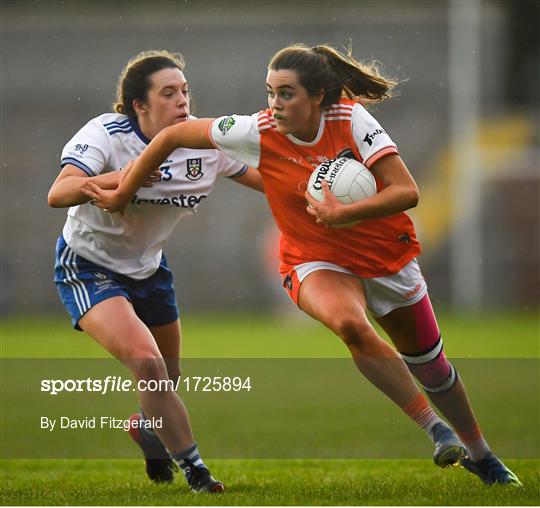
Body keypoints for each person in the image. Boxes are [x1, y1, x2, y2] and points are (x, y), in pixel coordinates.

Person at [83, 44, 521, 486]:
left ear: (318, 96)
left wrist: (343, 213)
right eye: (270, 93)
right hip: (312, 259)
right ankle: (435, 428)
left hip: (384, 256)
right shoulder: (256, 128)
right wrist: (122, 194)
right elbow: (172, 137)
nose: (274, 105)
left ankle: (482, 455)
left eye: (286, 94)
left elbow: (406, 191)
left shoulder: (350, 121)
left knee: (432, 367)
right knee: (350, 324)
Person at [48, 49, 263, 493]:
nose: (182, 101)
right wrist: (120, 178)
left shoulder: (203, 143)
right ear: (138, 106)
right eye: (168, 93)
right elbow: (60, 191)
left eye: (184, 91)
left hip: (149, 269)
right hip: (88, 265)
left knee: (168, 375)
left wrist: (324, 192)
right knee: (149, 365)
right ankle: (197, 471)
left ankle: (148, 429)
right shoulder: (106, 134)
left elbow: (268, 181)